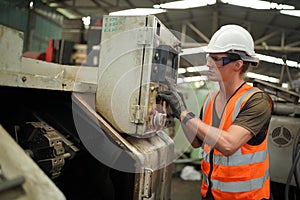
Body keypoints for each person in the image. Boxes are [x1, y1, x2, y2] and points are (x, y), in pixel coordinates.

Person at [159, 25, 272, 200]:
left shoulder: (257, 101)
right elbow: (197, 142)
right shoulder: (211, 99)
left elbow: (229, 145)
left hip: (245, 197)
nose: (208, 64)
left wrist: (183, 113)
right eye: (208, 57)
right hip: (211, 194)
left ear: (237, 64)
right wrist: (179, 112)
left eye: (216, 59)